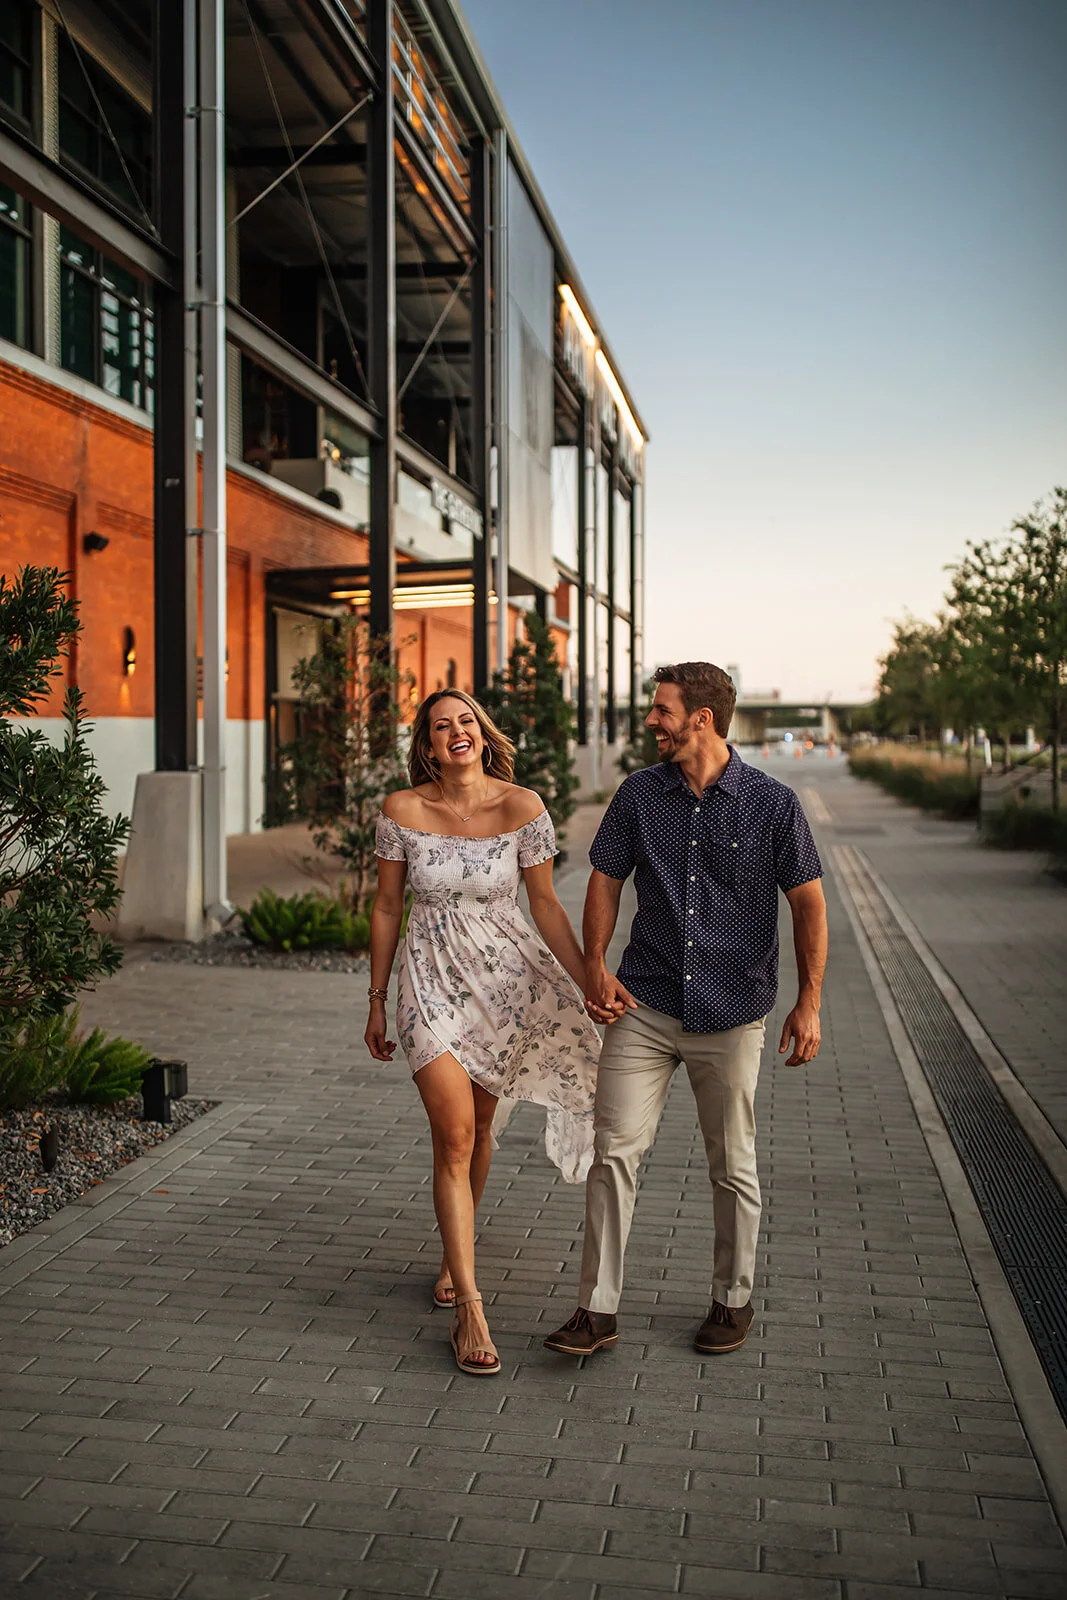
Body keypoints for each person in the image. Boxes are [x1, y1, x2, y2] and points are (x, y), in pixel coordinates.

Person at [544, 661, 827, 1359]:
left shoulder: (771, 803)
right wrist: (594, 967)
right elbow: (604, 880)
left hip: (732, 1013)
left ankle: (731, 1299)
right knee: (613, 1153)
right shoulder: (639, 795)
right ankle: (596, 1309)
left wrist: (809, 1002)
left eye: (661, 710)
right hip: (643, 1002)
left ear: (700, 718)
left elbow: (808, 903)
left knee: (731, 1161)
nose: (650, 721)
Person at [365, 689, 600, 1377]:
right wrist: (376, 1000)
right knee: (455, 1133)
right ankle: (469, 1305)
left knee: (483, 1131)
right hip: (427, 983)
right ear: (428, 746)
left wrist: (589, 977)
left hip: (505, 986)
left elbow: (547, 905)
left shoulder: (522, 807)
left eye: (465, 720)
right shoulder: (402, 811)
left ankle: (452, 1250)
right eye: (441, 726)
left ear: (482, 733)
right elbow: (385, 907)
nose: (456, 731)